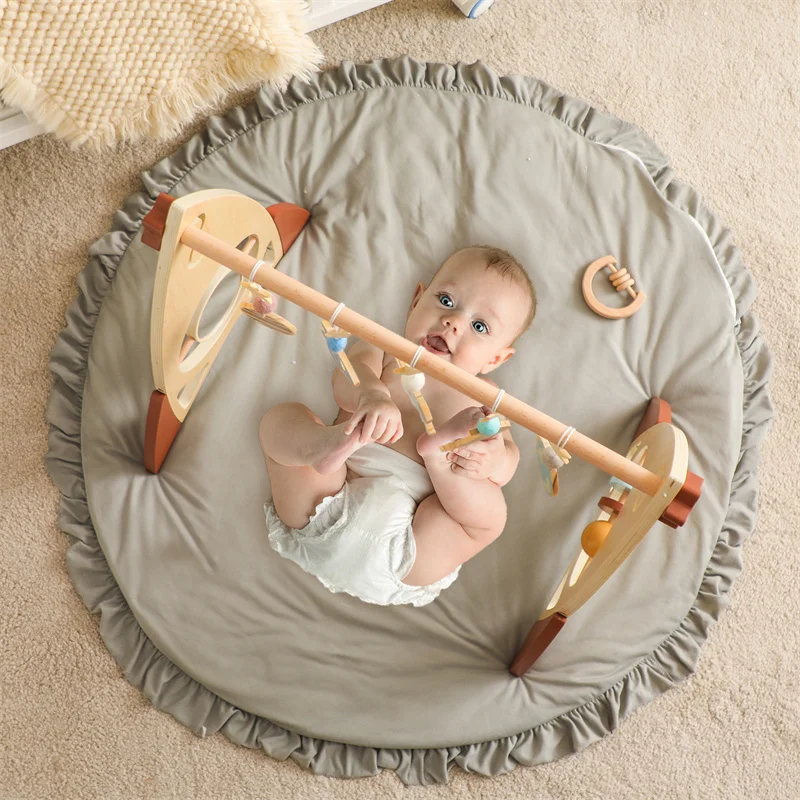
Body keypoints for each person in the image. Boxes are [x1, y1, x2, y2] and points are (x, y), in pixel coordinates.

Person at [259, 245, 537, 606]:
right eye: (446, 301)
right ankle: (323, 444)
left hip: (411, 545)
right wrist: (371, 395)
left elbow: (508, 460)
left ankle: (438, 458)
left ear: (496, 358)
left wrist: (495, 460)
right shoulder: (387, 349)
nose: (453, 322)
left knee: (491, 516)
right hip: (331, 495)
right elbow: (347, 378)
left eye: (479, 326)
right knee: (281, 419)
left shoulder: (486, 397)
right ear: (416, 300)